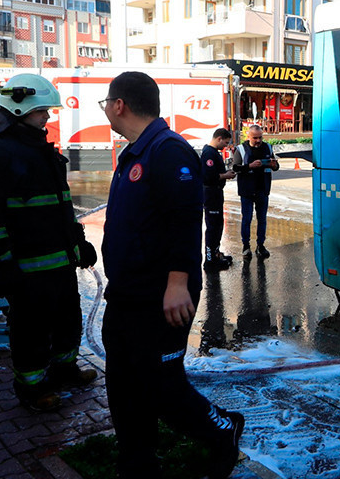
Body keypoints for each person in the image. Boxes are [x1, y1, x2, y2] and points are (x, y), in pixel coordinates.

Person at [100, 71, 244, 479]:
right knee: (123, 381)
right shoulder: (135, 151)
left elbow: (185, 220)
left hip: (161, 293)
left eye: (106, 103)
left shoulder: (168, 150)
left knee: (161, 383)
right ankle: (138, 462)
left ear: (119, 105)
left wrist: (178, 283)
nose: (106, 109)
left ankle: (223, 431)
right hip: (127, 292)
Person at [0, 74, 98, 412]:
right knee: (31, 330)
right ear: (19, 109)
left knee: (67, 320)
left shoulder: (41, 151)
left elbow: (61, 207)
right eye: (41, 111)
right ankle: (32, 388)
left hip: (61, 263)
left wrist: (79, 242)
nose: (47, 117)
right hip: (26, 268)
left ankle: (64, 369)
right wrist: (5, 262)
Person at [232, 125, 279, 260]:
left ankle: (260, 245)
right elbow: (235, 168)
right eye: (255, 138)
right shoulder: (241, 149)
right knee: (246, 219)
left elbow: (275, 166)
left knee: (262, 219)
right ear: (248, 137)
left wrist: (274, 165)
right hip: (247, 191)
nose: (258, 140)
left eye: (260, 138)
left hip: (262, 190)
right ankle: (246, 246)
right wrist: (249, 166)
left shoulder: (267, 147)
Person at [200, 128, 237, 271]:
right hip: (211, 193)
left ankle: (215, 253)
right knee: (213, 226)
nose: (226, 146)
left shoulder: (214, 152)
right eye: (225, 143)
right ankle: (209, 261)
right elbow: (208, 176)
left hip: (216, 192)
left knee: (218, 225)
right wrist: (225, 175)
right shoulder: (208, 153)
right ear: (219, 138)